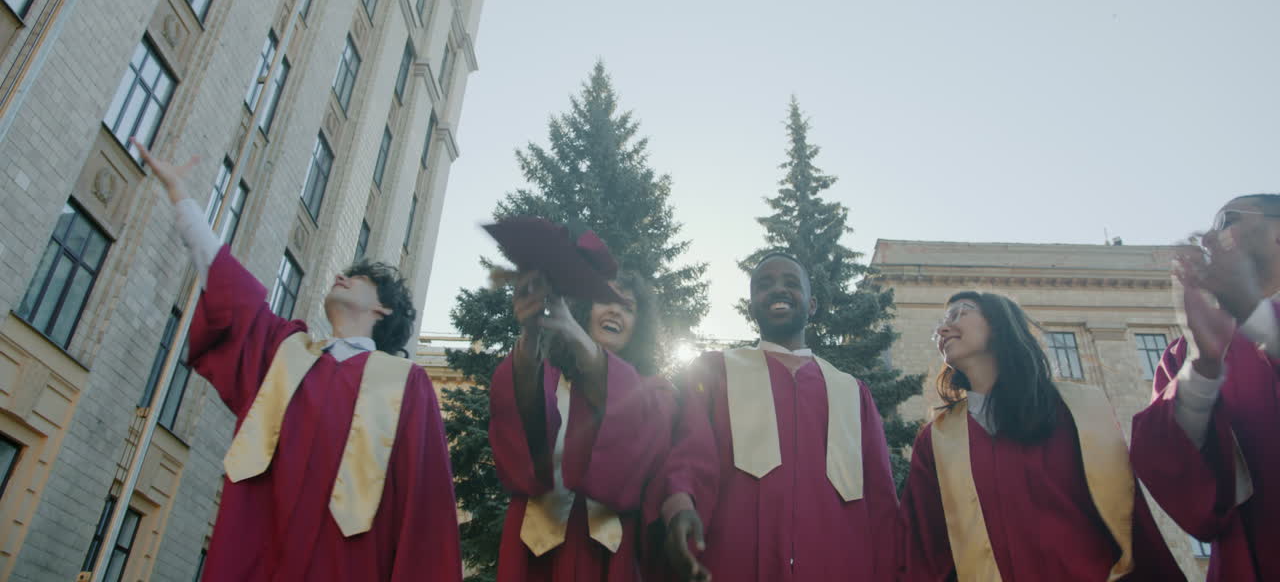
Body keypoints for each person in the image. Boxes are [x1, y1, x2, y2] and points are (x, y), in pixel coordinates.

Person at [136, 143, 461, 582]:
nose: (340, 275)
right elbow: (228, 285)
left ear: (383, 309)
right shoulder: (285, 353)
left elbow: (426, 510)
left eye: (358, 277)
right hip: (260, 554)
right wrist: (180, 194)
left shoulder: (406, 384)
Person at [897, 291, 1183, 581]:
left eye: (961, 313)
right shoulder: (938, 439)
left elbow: (1128, 518)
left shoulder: (1078, 410)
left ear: (999, 324)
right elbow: (924, 548)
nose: (943, 329)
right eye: (941, 324)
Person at [656, 252, 899, 581]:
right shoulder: (717, 372)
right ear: (752, 305)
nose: (777, 290)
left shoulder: (852, 393)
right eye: (764, 285)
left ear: (812, 305)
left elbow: (881, 501)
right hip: (734, 564)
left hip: (838, 565)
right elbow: (691, 455)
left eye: (791, 283)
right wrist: (679, 505)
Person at [1130, 194, 1280, 581]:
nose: (1210, 238)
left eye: (1227, 220)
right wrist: (1204, 367)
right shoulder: (1188, 352)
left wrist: (1255, 315)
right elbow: (1172, 464)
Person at [490, 268, 675, 581]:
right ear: (586, 311)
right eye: (605, 300)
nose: (615, 309)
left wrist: (576, 336)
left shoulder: (655, 393)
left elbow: (642, 447)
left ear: (637, 328)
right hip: (536, 552)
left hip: (610, 553)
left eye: (628, 307)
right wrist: (532, 332)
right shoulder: (547, 378)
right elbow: (519, 433)